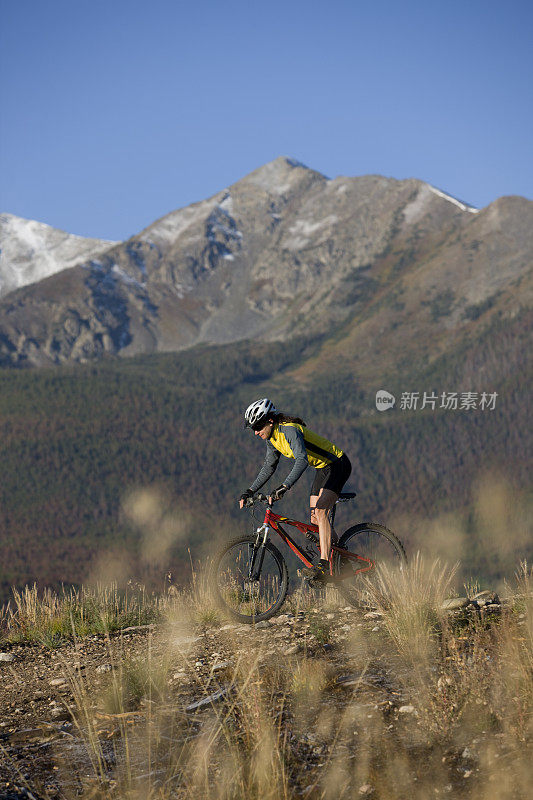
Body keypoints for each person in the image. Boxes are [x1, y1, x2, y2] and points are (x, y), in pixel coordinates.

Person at [239, 398, 352, 582]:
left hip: (338, 464)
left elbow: (302, 460)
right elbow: (269, 466)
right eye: (253, 428)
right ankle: (341, 557)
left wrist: (285, 486)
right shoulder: (272, 438)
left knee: (322, 510)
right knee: (315, 519)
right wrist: (249, 490)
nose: (256, 432)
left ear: (270, 420)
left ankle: (323, 566)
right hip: (323, 468)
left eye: (258, 426)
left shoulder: (289, 430)